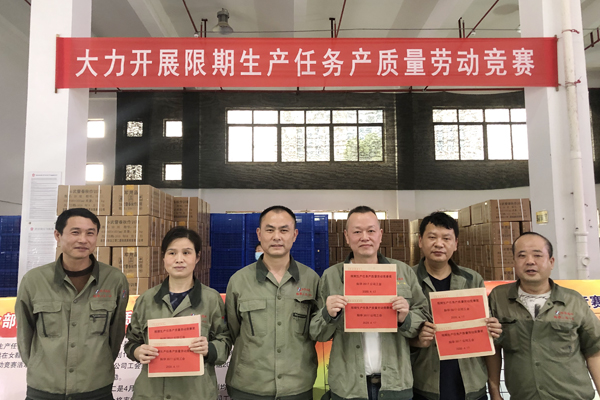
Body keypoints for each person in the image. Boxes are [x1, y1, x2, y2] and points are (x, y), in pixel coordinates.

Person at [310, 205, 429, 400]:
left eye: (371, 231)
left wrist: (405, 318)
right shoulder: (331, 276)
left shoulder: (403, 272)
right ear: (347, 236)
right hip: (348, 387)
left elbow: (423, 318)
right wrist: (328, 315)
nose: (365, 237)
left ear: (380, 235)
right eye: (357, 232)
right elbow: (317, 333)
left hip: (395, 384)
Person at [16, 208, 129, 400]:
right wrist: (40, 367)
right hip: (44, 390)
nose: (83, 239)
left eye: (90, 233)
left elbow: (116, 334)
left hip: (96, 389)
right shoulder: (34, 280)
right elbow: (25, 335)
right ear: (58, 235)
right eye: (75, 232)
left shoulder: (114, 280)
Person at [488, 232, 600, 400]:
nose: (530, 261)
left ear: (551, 262)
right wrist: (495, 392)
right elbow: (493, 348)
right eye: (522, 256)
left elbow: (595, 350)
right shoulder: (499, 298)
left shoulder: (573, 300)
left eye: (537, 255)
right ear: (514, 262)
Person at [225, 205, 320, 400]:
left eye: (284, 230)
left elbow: (318, 331)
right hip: (249, 388)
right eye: (270, 230)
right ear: (259, 234)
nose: (277, 237)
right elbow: (232, 331)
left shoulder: (311, 279)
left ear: (294, 235)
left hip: (297, 388)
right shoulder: (239, 281)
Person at [125, 226, 231, 400]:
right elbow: (132, 342)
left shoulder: (211, 299)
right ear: (163, 257)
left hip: (195, 393)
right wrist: (137, 351)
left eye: (186, 253)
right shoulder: (146, 300)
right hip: (151, 393)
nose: (179, 259)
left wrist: (209, 348)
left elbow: (225, 342)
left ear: (197, 257)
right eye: (172, 253)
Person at [410, 212, 502, 400]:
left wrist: (491, 329)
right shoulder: (407, 280)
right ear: (420, 241)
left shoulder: (472, 279)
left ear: (456, 243)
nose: (439, 244)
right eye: (432, 237)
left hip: (471, 385)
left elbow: (486, 335)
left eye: (446, 238)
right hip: (424, 385)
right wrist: (416, 340)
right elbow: (396, 333)